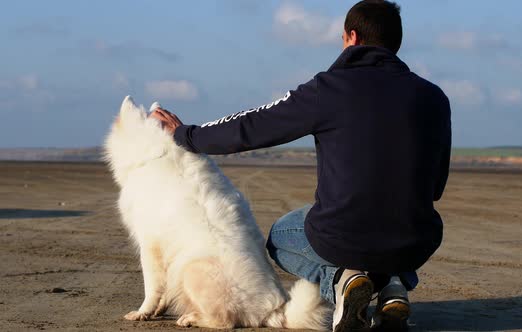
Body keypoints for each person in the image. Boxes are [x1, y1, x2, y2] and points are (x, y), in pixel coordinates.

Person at [150, 1, 451, 331]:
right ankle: (393, 285)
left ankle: (342, 280)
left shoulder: (330, 88)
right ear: (395, 43)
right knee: (396, 221)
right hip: (415, 238)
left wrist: (185, 135)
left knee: (281, 237)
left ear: (351, 37)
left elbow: (252, 126)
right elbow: (434, 187)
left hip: (346, 234)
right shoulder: (434, 98)